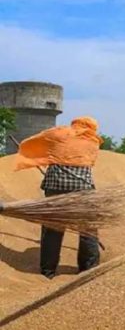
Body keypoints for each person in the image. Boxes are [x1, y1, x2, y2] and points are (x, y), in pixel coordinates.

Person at [15, 116, 104, 279]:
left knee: (52, 230)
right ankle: (89, 269)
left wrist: (35, 153)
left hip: (55, 187)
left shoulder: (59, 133)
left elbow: (37, 139)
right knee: (87, 229)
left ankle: (47, 271)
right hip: (83, 189)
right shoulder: (94, 141)